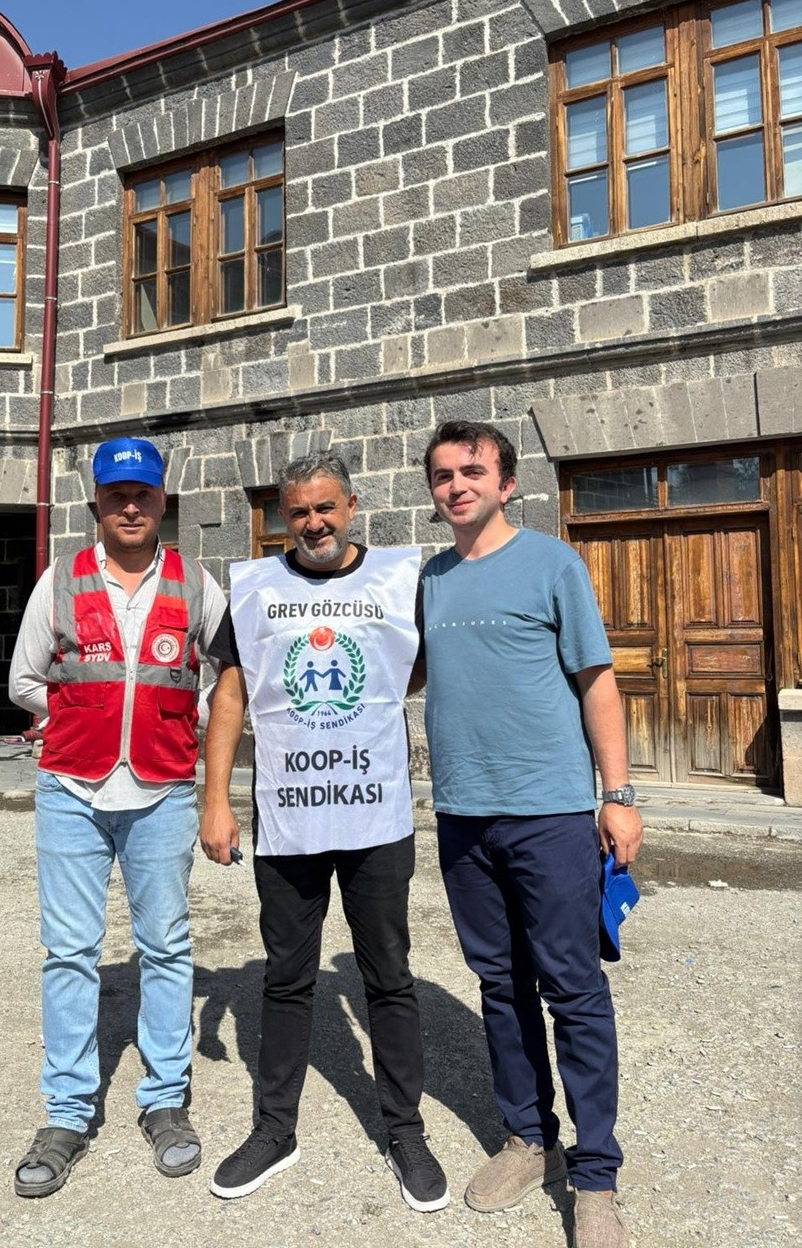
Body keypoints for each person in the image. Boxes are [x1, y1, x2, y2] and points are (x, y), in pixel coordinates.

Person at [200, 453, 448, 1213]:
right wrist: (215, 799)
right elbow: (231, 696)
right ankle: (275, 1129)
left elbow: (411, 668)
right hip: (289, 815)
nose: (313, 523)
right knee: (286, 977)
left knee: (389, 976)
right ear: (284, 516)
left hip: (374, 813)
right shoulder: (255, 589)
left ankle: (405, 1131)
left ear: (352, 506)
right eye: (299, 512)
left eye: (326, 508)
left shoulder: (395, 580)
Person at [415, 420, 643, 1248]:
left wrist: (617, 795)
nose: (457, 485)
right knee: (500, 985)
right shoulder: (430, 578)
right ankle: (526, 1136)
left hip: (548, 812)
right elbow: (402, 668)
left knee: (572, 988)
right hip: (463, 816)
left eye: (472, 471)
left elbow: (597, 681)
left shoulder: (553, 564)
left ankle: (596, 1175)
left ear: (507, 483)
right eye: (443, 474)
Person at [8, 436, 225, 1196]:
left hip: (162, 790)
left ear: (162, 500)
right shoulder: (61, 580)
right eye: (115, 496)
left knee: (166, 946)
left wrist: (189, 717)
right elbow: (25, 678)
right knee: (69, 952)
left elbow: (228, 675)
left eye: (142, 495)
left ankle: (165, 1101)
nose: (130, 508)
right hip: (72, 789)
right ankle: (67, 1113)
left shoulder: (197, 583)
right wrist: (77, 717)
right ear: (97, 504)